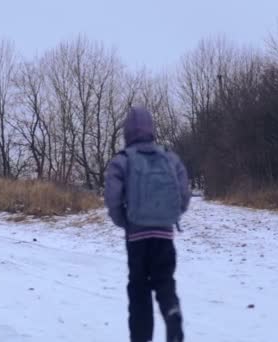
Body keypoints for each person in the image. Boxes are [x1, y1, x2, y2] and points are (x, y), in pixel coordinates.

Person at [105, 106, 191, 342]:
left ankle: (141, 338)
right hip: (164, 235)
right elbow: (183, 194)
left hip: (137, 237)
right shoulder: (169, 158)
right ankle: (172, 310)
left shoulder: (122, 161)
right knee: (164, 280)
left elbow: (112, 197)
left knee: (139, 289)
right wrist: (170, 217)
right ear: (151, 129)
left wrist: (124, 221)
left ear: (127, 133)